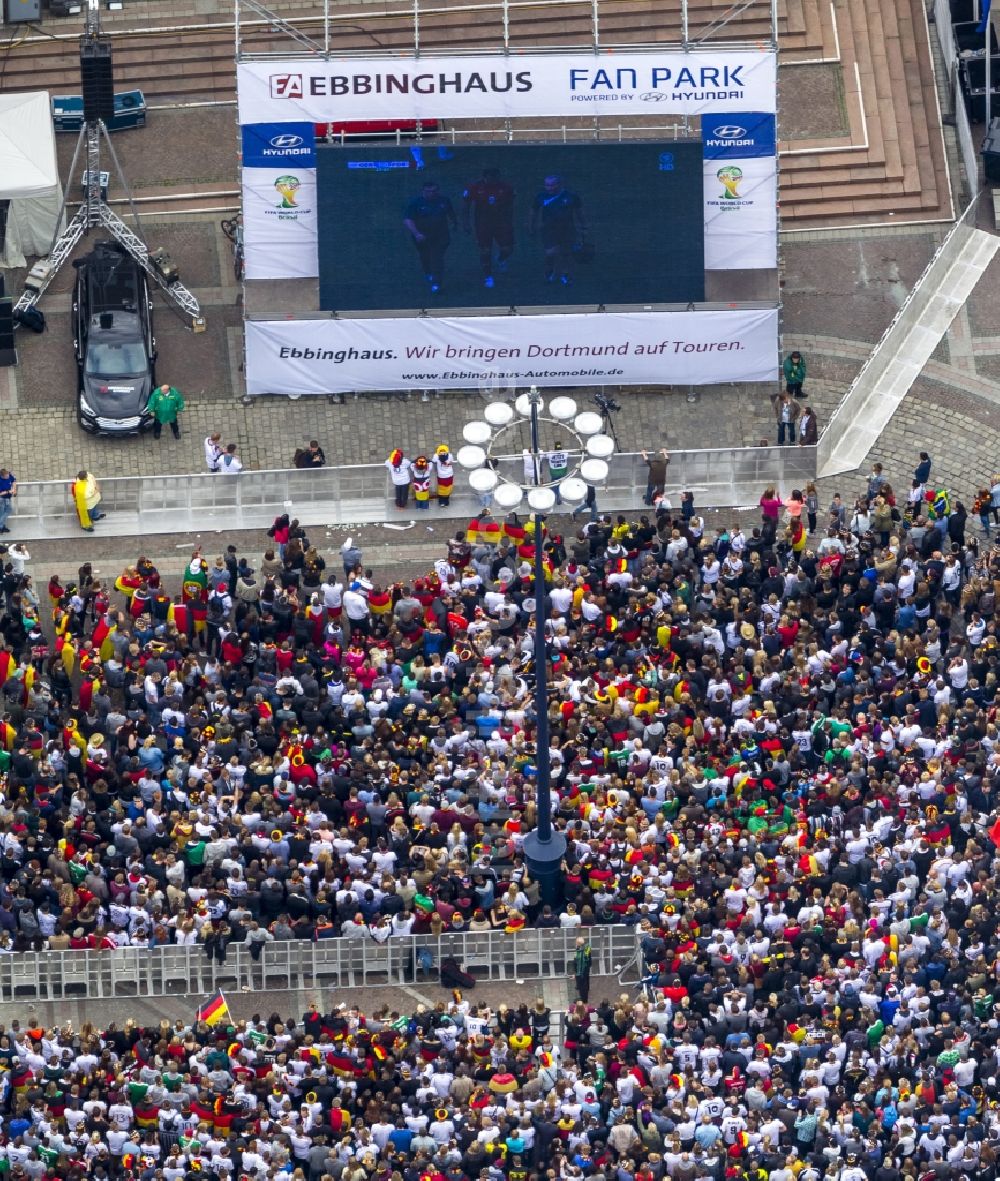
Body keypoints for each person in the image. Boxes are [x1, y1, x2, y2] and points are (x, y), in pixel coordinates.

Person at [461, 166, 515, 290]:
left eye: (496, 178)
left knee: (507, 249)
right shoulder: (475, 187)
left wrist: (509, 221)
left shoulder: (506, 187)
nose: (494, 181)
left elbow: (510, 204)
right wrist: (466, 223)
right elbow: (466, 205)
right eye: (491, 179)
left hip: (502, 223)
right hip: (483, 223)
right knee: (485, 251)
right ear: (485, 177)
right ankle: (488, 276)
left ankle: (501, 259)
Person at [529, 174, 586, 286]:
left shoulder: (571, 196)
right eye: (547, 185)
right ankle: (549, 270)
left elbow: (579, 212)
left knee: (566, 253)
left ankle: (565, 275)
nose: (549, 188)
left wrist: (584, 226)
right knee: (551, 253)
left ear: (559, 184)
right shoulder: (541, 196)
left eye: (552, 185)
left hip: (567, 229)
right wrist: (531, 226)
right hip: (548, 229)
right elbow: (533, 211)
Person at [403, 181, 457, 295]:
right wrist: (416, 233)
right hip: (422, 236)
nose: (432, 194)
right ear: (424, 191)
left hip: (441, 236)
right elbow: (408, 220)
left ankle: (436, 284)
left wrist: (454, 223)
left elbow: (451, 213)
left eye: (435, 191)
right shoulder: (415, 203)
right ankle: (428, 272)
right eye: (429, 191)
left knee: (437, 258)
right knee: (425, 256)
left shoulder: (444, 200)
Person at [573, 936, 592, 1001]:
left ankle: (583, 998)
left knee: (582, 985)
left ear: (578, 944)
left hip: (581, 971)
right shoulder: (587, 948)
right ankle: (586, 988)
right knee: (586, 980)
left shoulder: (579, 953)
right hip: (586, 968)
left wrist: (576, 973)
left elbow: (577, 964)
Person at [0, 468, 16, 534]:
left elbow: (14, 481)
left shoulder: (9, 474)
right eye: (6, 477)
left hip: (8, 498)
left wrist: (14, 490)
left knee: (7, 511)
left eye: (8, 475)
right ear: (2, 476)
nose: (8, 477)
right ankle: (1, 526)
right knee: (3, 512)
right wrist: (8, 491)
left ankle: (2, 527)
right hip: (1, 498)